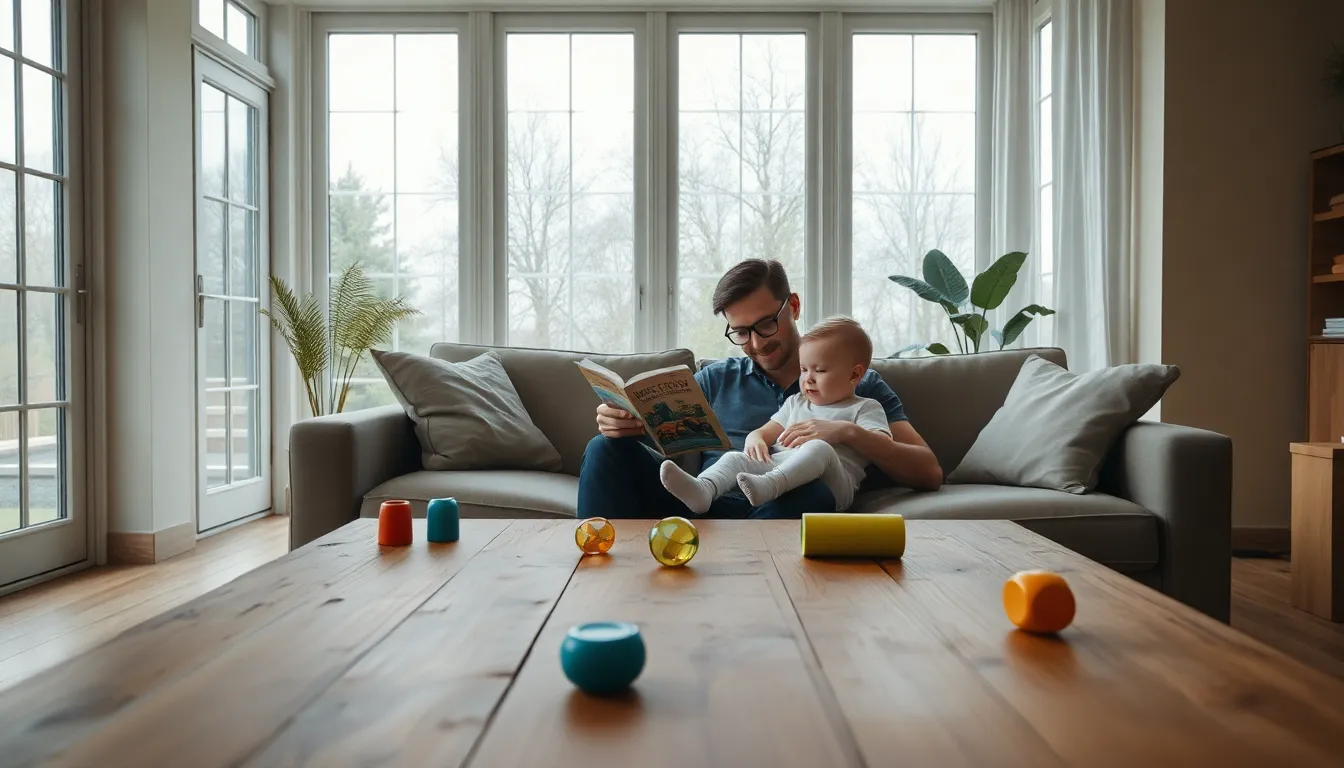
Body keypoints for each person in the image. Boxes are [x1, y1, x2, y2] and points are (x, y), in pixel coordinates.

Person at [576, 259, 942, 520]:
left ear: (793, 307)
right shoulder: (716, 379)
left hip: (782, 506)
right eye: (740, 332)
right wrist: (624, 422)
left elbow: (928, 472)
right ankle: (595, 586)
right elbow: (669, 449)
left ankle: (737, 569)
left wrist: (846, 432)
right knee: (604, 449)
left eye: (766, 324)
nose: (755, 343)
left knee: (814, 493)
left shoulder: (859, 385)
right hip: (705, 505)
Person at [658, 316, 890, 515]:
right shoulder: (796, 402)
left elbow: (883, 445)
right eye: (803, 369)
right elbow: (764, 432)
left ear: (854, 374)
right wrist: (755, 440)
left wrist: (844, 432)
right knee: (734, 458)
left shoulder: (865, 407)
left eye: (819, 370)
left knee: (819, 448)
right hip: (779, 466)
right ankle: (704, 490)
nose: (808, 378)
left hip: (833, 485)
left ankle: (770, 486)